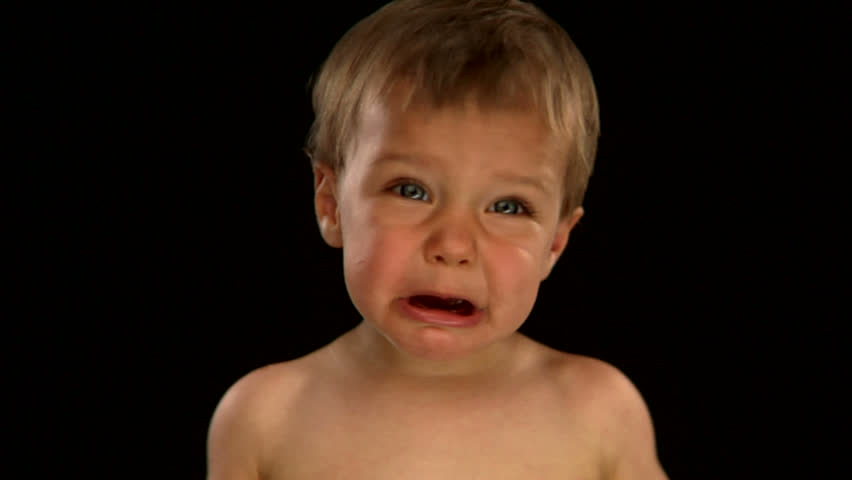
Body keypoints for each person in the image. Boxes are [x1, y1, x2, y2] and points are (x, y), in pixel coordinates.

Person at [207, 1, 668, 478]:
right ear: (331, 205)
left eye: (507, 206)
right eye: (411, 191)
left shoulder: (597, 412)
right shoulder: (267, 417)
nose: (453, 245)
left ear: (555, 243)